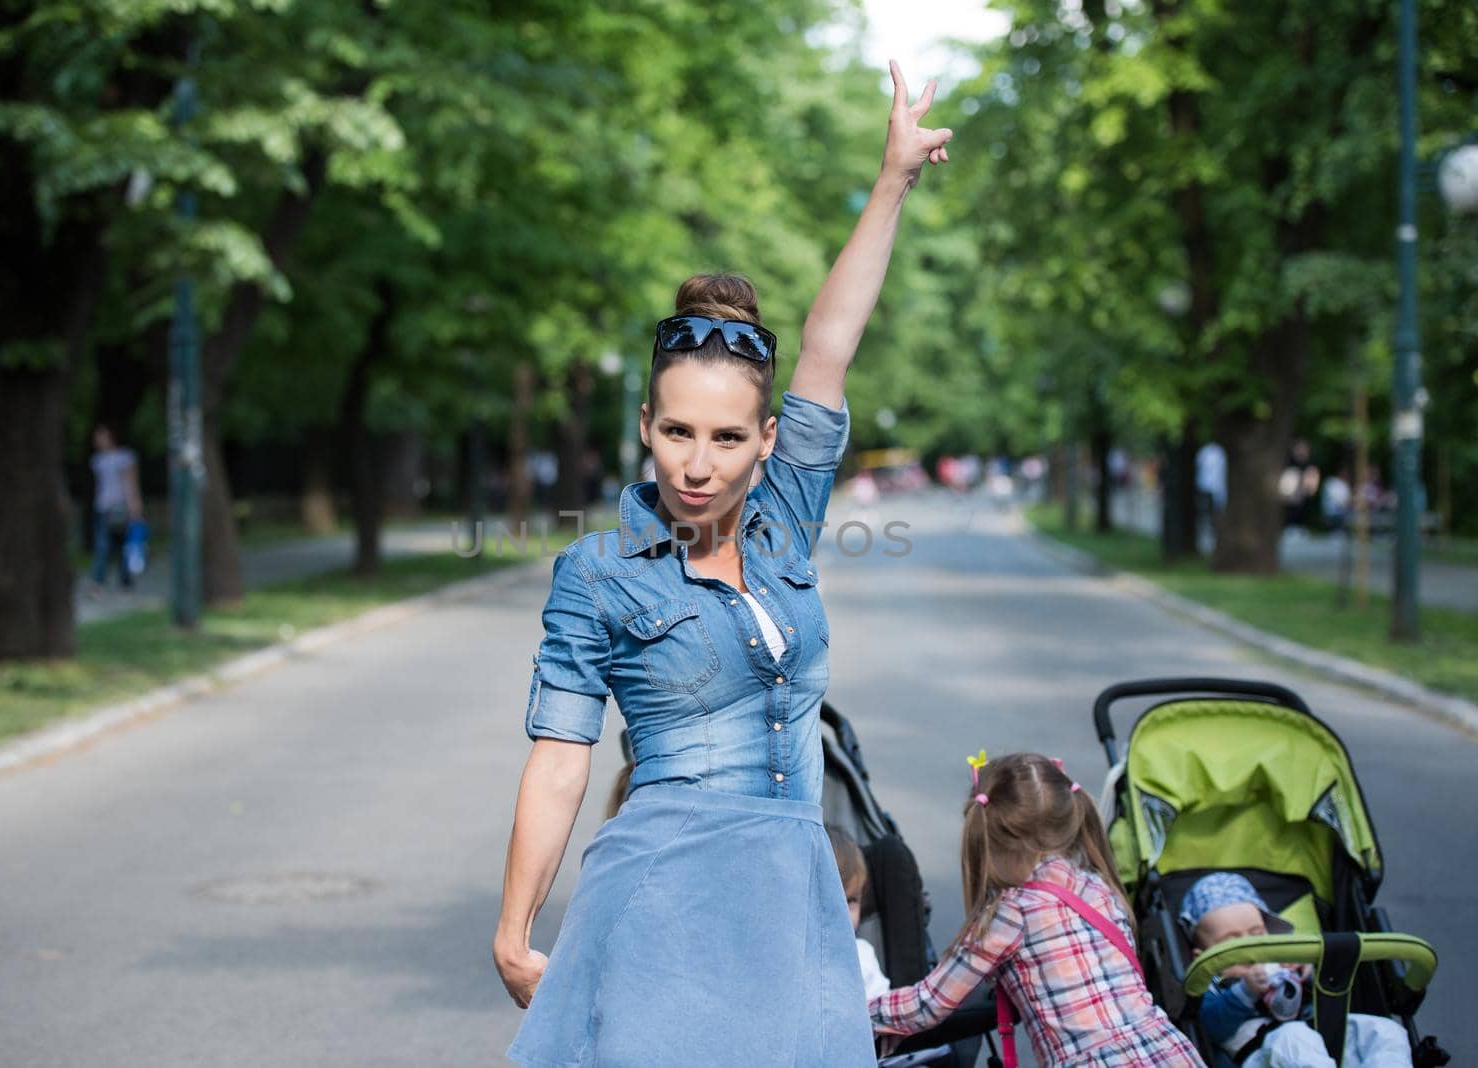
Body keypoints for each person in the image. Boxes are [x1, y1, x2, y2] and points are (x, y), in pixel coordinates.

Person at [493, 61, 952, 1067]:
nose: (696, 466)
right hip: (658, 898)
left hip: (790, 897)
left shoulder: (786, 520)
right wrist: (514, 923)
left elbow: (830, 343)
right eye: (676, 432)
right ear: (645, 424)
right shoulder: (600, 572)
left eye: (726, 439)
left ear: (765, 440)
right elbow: (563, 757)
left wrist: (891, 182)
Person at [869, 752, 1204, 1067]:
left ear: (993, 842)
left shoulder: (1011, 914)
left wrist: (853, 1012)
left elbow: (927, 1004)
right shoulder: (1099, 888)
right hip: (1170, 1052)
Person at [1180, 872, 1412, 1068]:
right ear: (1203, 956)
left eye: (1257, 934)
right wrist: (1245, 992)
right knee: (1293, 1037)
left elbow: (1327, 999)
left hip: (1322, 1040)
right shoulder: (1208, 982)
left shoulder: (1284, 957)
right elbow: (1209, 1027)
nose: (1249, 948)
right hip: (1261, 1056)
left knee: (1384, 1031)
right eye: (1232, 943)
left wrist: (1308, 974)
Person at [828, 825, 891, 1002]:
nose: (842, 915)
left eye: (851, 901)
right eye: (833, 902)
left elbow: (882, 1005)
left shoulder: (862, 957)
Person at [87, 423, 142, 593]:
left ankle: (125, 581)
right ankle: (98, 582)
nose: (99, 441)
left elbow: (131, 482)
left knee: (122, 546)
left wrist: (134, 504)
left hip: (121, 507)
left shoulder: (125, 457)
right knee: (102, 546)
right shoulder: (97, 461)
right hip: (103, 507)